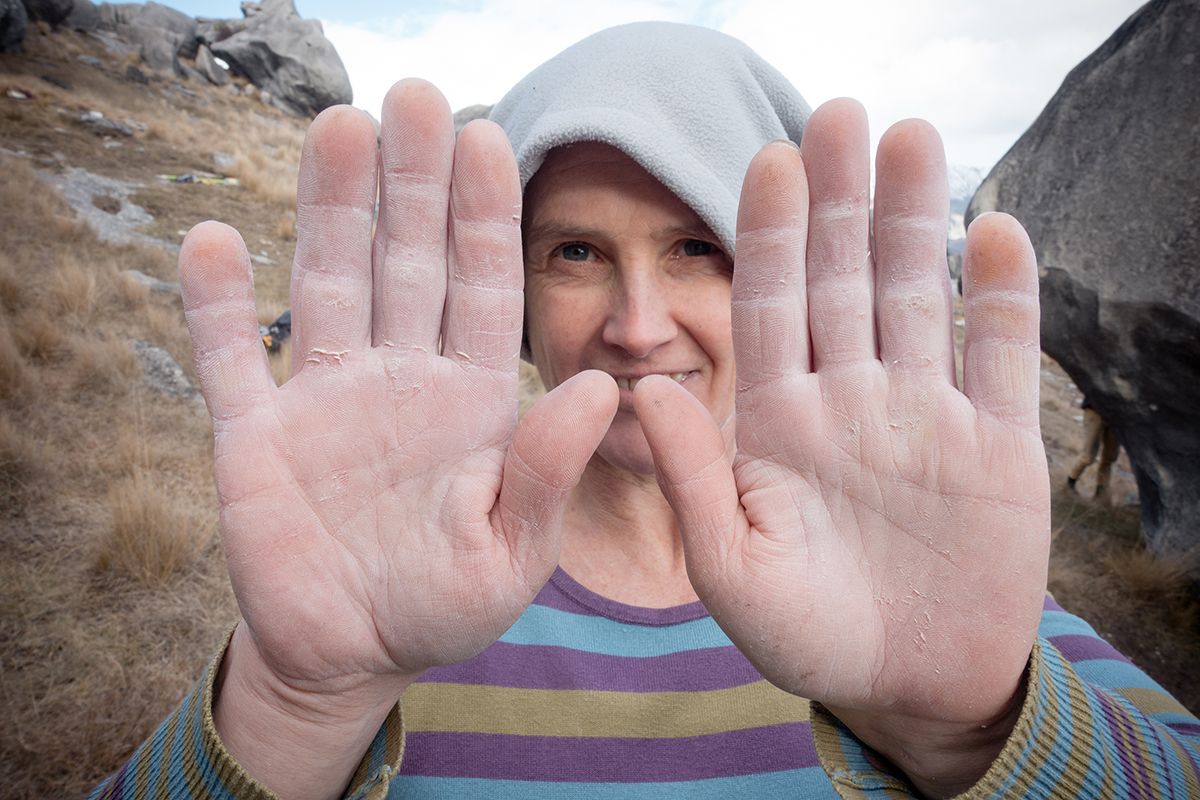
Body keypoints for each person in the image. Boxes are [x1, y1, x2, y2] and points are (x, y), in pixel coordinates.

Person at [90, 23, 1198, 800]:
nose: (635, 323)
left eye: (698, 249)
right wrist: (293, 704)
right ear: (509, 284)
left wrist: (964, 729)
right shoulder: (402, 587)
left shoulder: (933, 582)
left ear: (792, 276)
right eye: (574, 250)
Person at [1067, 396, 1121, 501]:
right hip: (1095, 409)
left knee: (1109, 458)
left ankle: (1101, 493)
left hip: (1117, 416)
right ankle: (1069, 484)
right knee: (1088, 456)